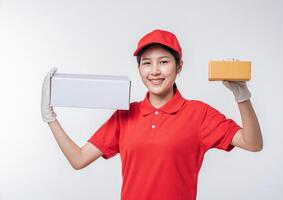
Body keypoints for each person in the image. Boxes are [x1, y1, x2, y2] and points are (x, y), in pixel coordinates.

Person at [41, 29, 263, 200]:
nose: (154, 71)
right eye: (147, 63)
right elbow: (78, 159)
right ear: (139, 69)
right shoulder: (125, 115)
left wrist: (242, 95)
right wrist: (51, 118)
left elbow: (253, 143)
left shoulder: (198, 113)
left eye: (164, 62)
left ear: (179, 66)